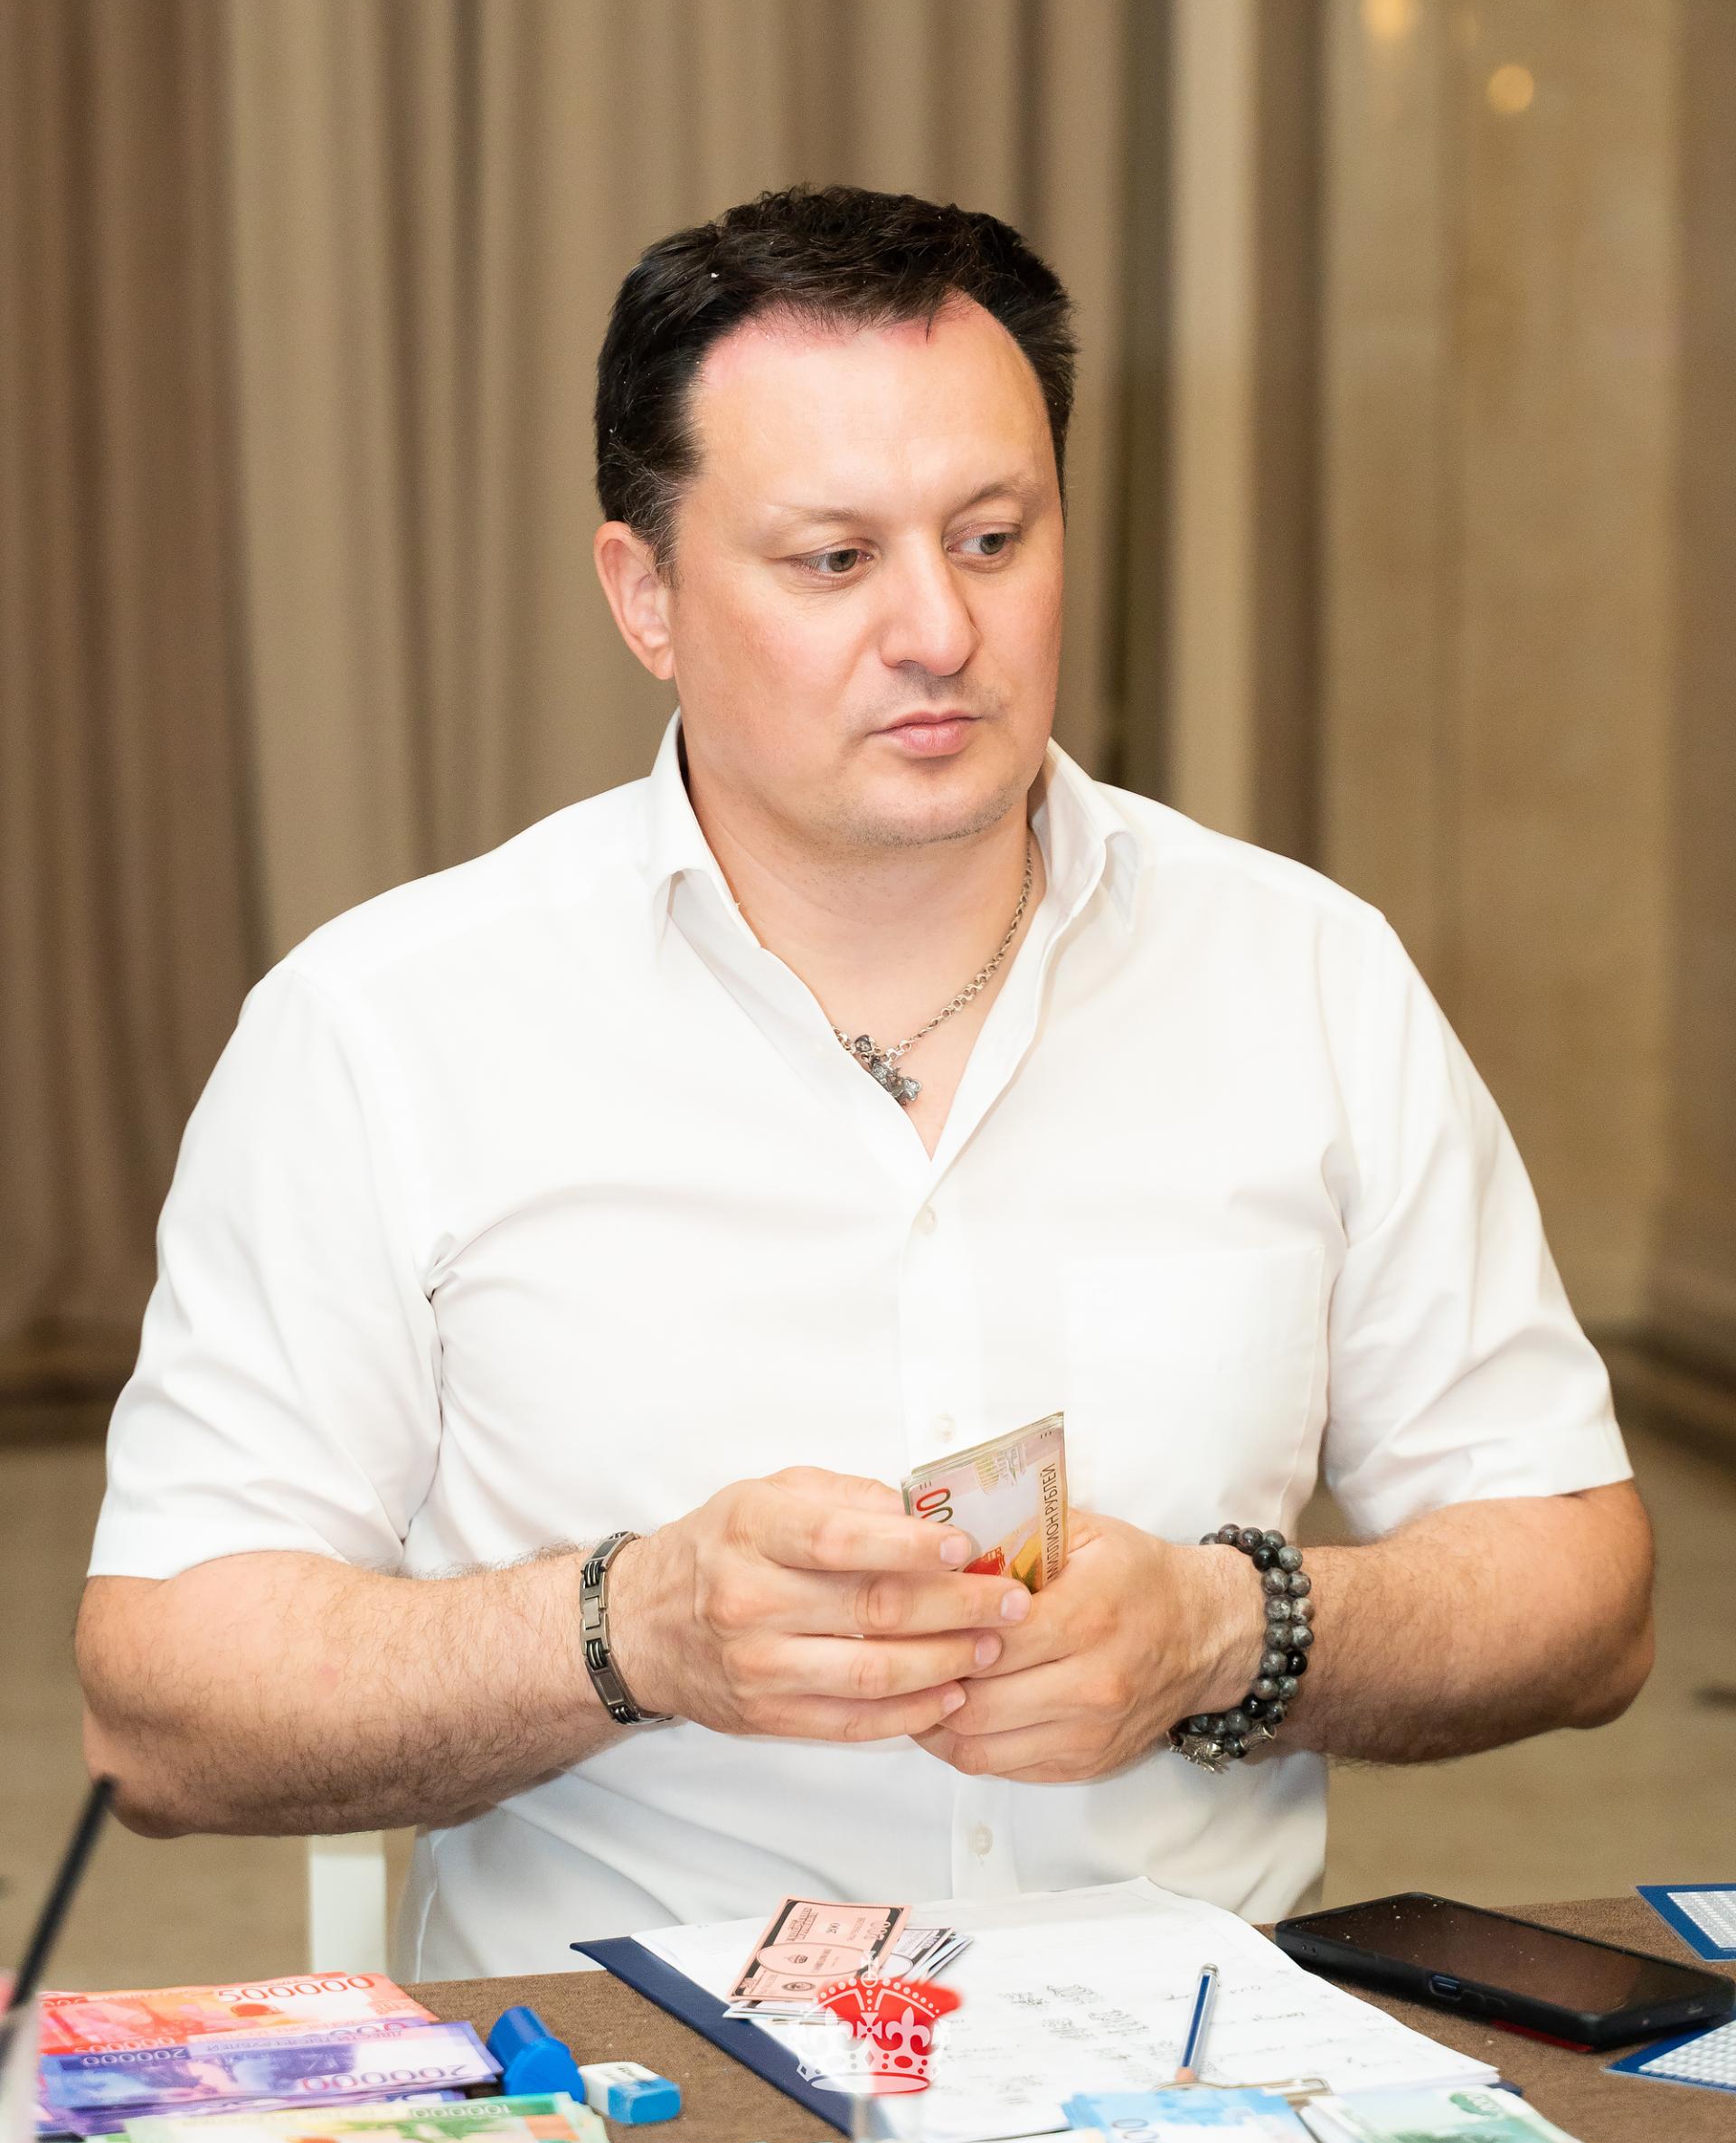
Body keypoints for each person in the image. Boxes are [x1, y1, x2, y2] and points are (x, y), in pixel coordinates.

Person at [78, 186, 1652, 1978]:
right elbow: (161, 1709)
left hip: (1193, 2065)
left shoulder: (1304, 972)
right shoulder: (386, 1026)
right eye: (834, 560)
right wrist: (626, 1632)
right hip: (629, 2073)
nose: (940, 631)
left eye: (993, 538)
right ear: (646, 595)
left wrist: (1232, 1631)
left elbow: (1582, 1595)